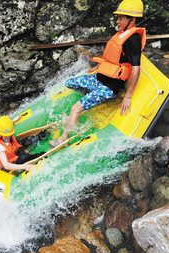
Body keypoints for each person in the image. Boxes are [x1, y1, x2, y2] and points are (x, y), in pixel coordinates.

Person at [50, 0, 146, 148]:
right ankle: (89, 102)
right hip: (99, 78)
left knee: (75, 108)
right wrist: (100, 66)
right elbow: (115, 58)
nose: (117, 20)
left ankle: (64, 139)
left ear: (132, 20)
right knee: (70, 83)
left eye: (121, 18)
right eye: (118, 17)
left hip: (109, 87)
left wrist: (127, 96)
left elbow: (136, 69)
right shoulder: (122, 34)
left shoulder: (133, 40)